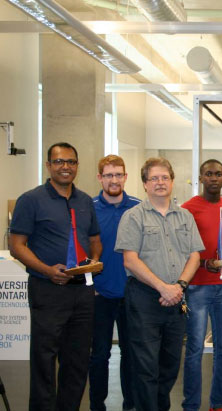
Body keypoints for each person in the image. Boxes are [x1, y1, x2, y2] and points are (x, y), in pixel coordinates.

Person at [10, 142, 102, 411]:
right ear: (49, 166)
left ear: (77, 166)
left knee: (77, 361)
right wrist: (46, 270)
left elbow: (95, 239)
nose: (66, 167)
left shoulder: (85, 201)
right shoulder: (31, 200)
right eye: (59, 162)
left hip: (82, 291)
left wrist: (93, 261)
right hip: (47, 290)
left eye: (71, 162)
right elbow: (17, 245)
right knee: (44, 360)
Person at [115, 157, 204, 411]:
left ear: (173, 181)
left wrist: (179, 286)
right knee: (145, 367)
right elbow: (130, 260)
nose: (160, 182)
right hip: (144, 299)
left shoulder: (185, 217)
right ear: (144, 184)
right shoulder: (133, 217)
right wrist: (162, 287)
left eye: (165, 177)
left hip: (177, 298)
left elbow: (195, 256)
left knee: (169, 365)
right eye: (154, 178)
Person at [181, 159, 222, 411]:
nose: (214, 178)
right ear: (201, 178)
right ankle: (191, 404)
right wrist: (205, 264)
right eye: (209, 174)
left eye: (218, 174)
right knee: (194, 349)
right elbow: (183, 249)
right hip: (197, 287)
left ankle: (218, 403)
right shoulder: (187, 209)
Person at [89, 155, 140, 411]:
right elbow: (80, 249)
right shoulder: (89, 207)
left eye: (118, 174)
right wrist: (90, 285)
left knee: (131, 355)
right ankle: (97, 405)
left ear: (125, 177)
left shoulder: (138, 208)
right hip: (100, 294)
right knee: (99, 354)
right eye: (108, 175)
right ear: (100, 178)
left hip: (132, 294)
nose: (114, 180)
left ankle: (130, 404)